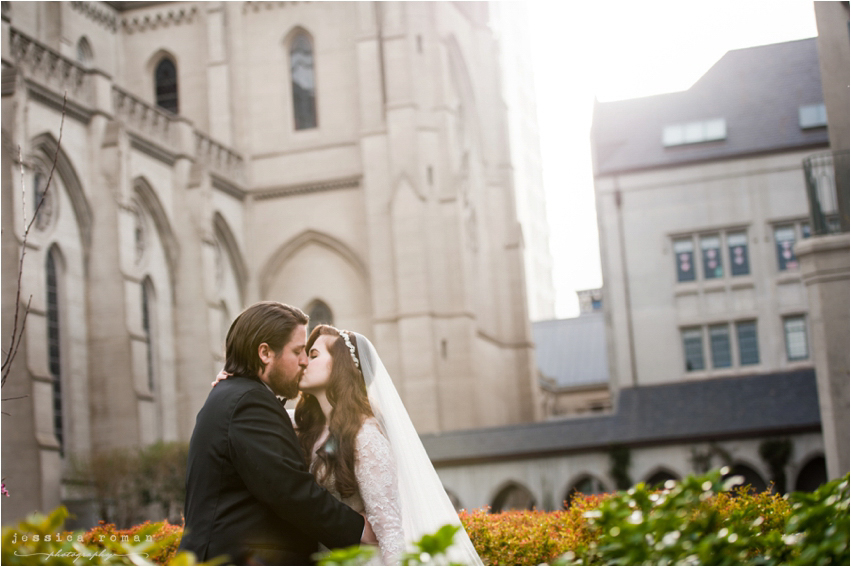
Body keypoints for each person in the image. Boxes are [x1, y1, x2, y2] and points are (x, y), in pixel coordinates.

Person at [218, 323, 483, 565]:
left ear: (341, 367)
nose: (302, 362)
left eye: (313, 355)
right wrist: (235, 384)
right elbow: (259, 415)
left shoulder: (365, 435)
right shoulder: (305, 427)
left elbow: (389, 530)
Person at [178, 302, 374, 565]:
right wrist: (360, 529)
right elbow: (289, 490)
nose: (304, 361)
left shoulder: (238, 396)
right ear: (265, 353)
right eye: (297, 351)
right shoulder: (248, 402)